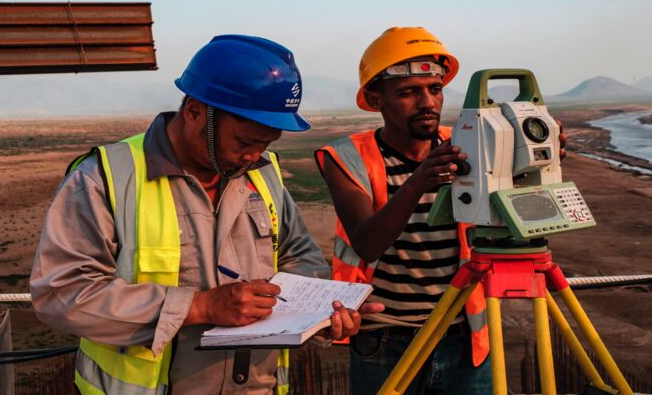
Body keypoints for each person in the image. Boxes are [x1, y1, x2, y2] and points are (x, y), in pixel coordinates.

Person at [31, 34, 381, 395]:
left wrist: (321, 313)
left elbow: (299, 256)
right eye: (245, 142)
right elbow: (62, 294)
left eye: (268, 143)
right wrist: (198, 307)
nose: (254, 156)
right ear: (196, 112)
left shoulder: (263, 171)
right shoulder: (105, 177)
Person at [314, 27, 493, 395]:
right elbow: (367, 243)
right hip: (386, 339)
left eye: (435, 89)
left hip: (464, 333)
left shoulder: (467, 144)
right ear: (376, 99)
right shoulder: (345, 157)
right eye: (408, 92)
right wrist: (416, 183)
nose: (427, 102)